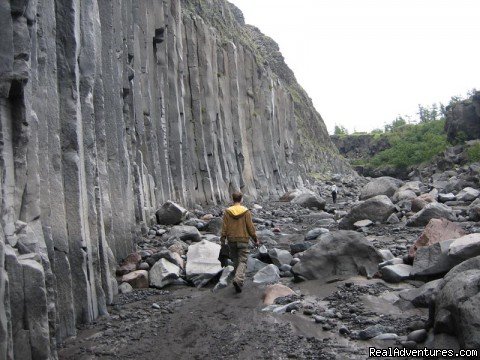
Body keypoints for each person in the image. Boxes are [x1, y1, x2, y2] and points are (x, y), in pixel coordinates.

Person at [220, 191, 259, 293]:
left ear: (233, 199)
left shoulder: (227, 212)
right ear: (241, 199)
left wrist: (223, 239)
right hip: (243, 240)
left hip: (231, 240)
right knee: (243, 261)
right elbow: (250, 227)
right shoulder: (246, 211)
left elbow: (224, 227)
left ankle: (238, 280)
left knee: (236, 260)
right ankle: (238, 279)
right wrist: (255, 239)